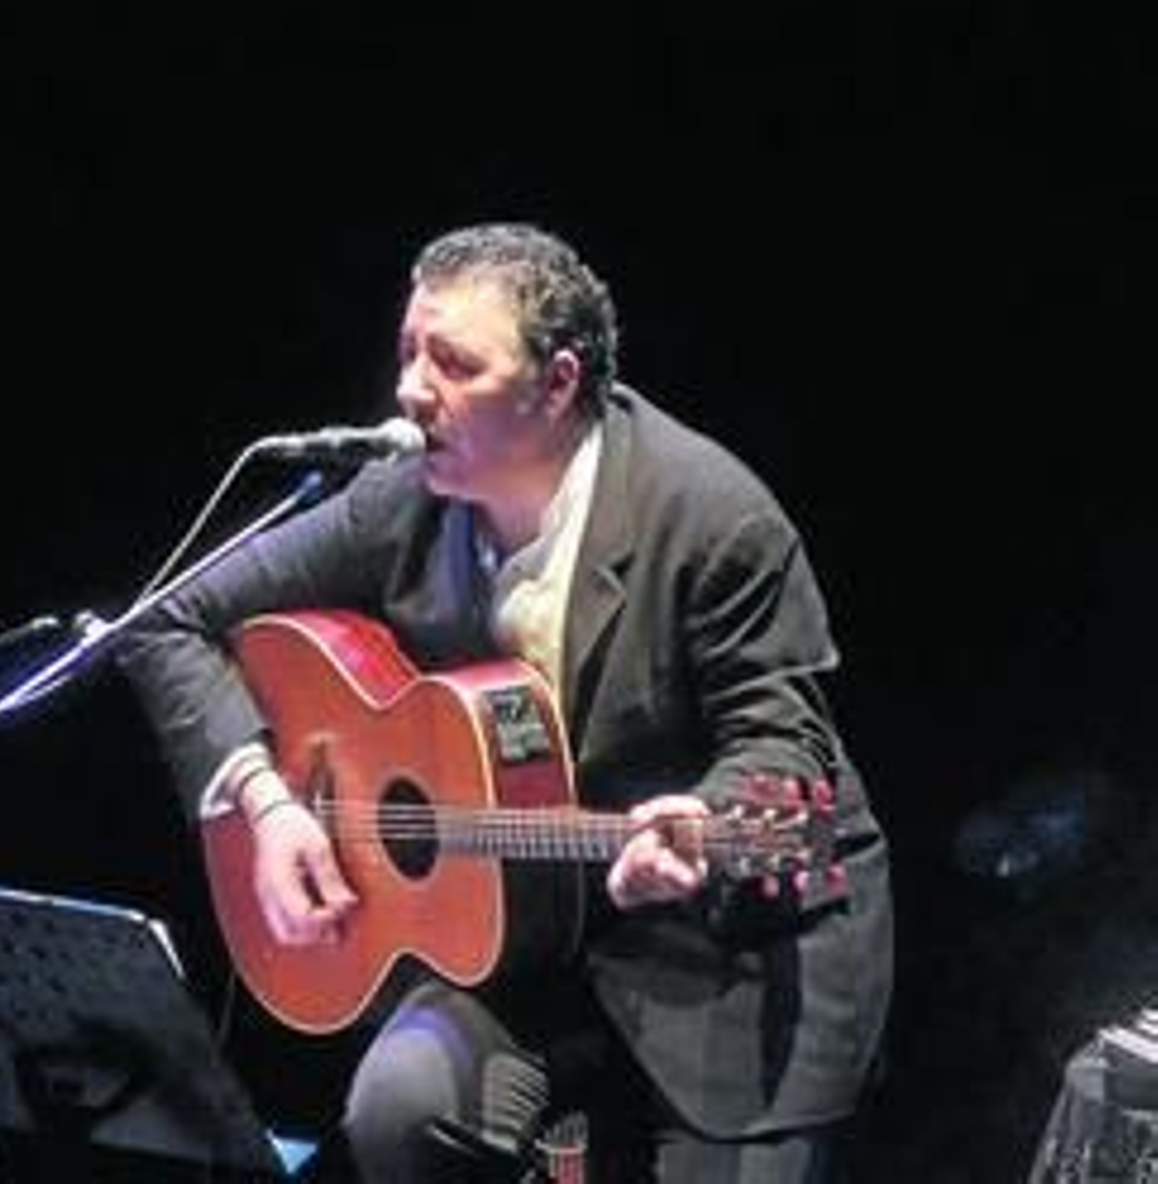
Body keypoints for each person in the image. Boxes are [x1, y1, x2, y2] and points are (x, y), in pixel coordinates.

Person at [116, 221, 893, 1182]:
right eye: (408, 352)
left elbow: (783, 747)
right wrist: (269, 808)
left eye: (453, 363)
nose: (410, 389)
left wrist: (701, 818)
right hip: (531, 941)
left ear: (558, 383)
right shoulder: (401, 498)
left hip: (728, 960)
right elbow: (162, 625)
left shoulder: (711, 517)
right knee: (401, 1111)